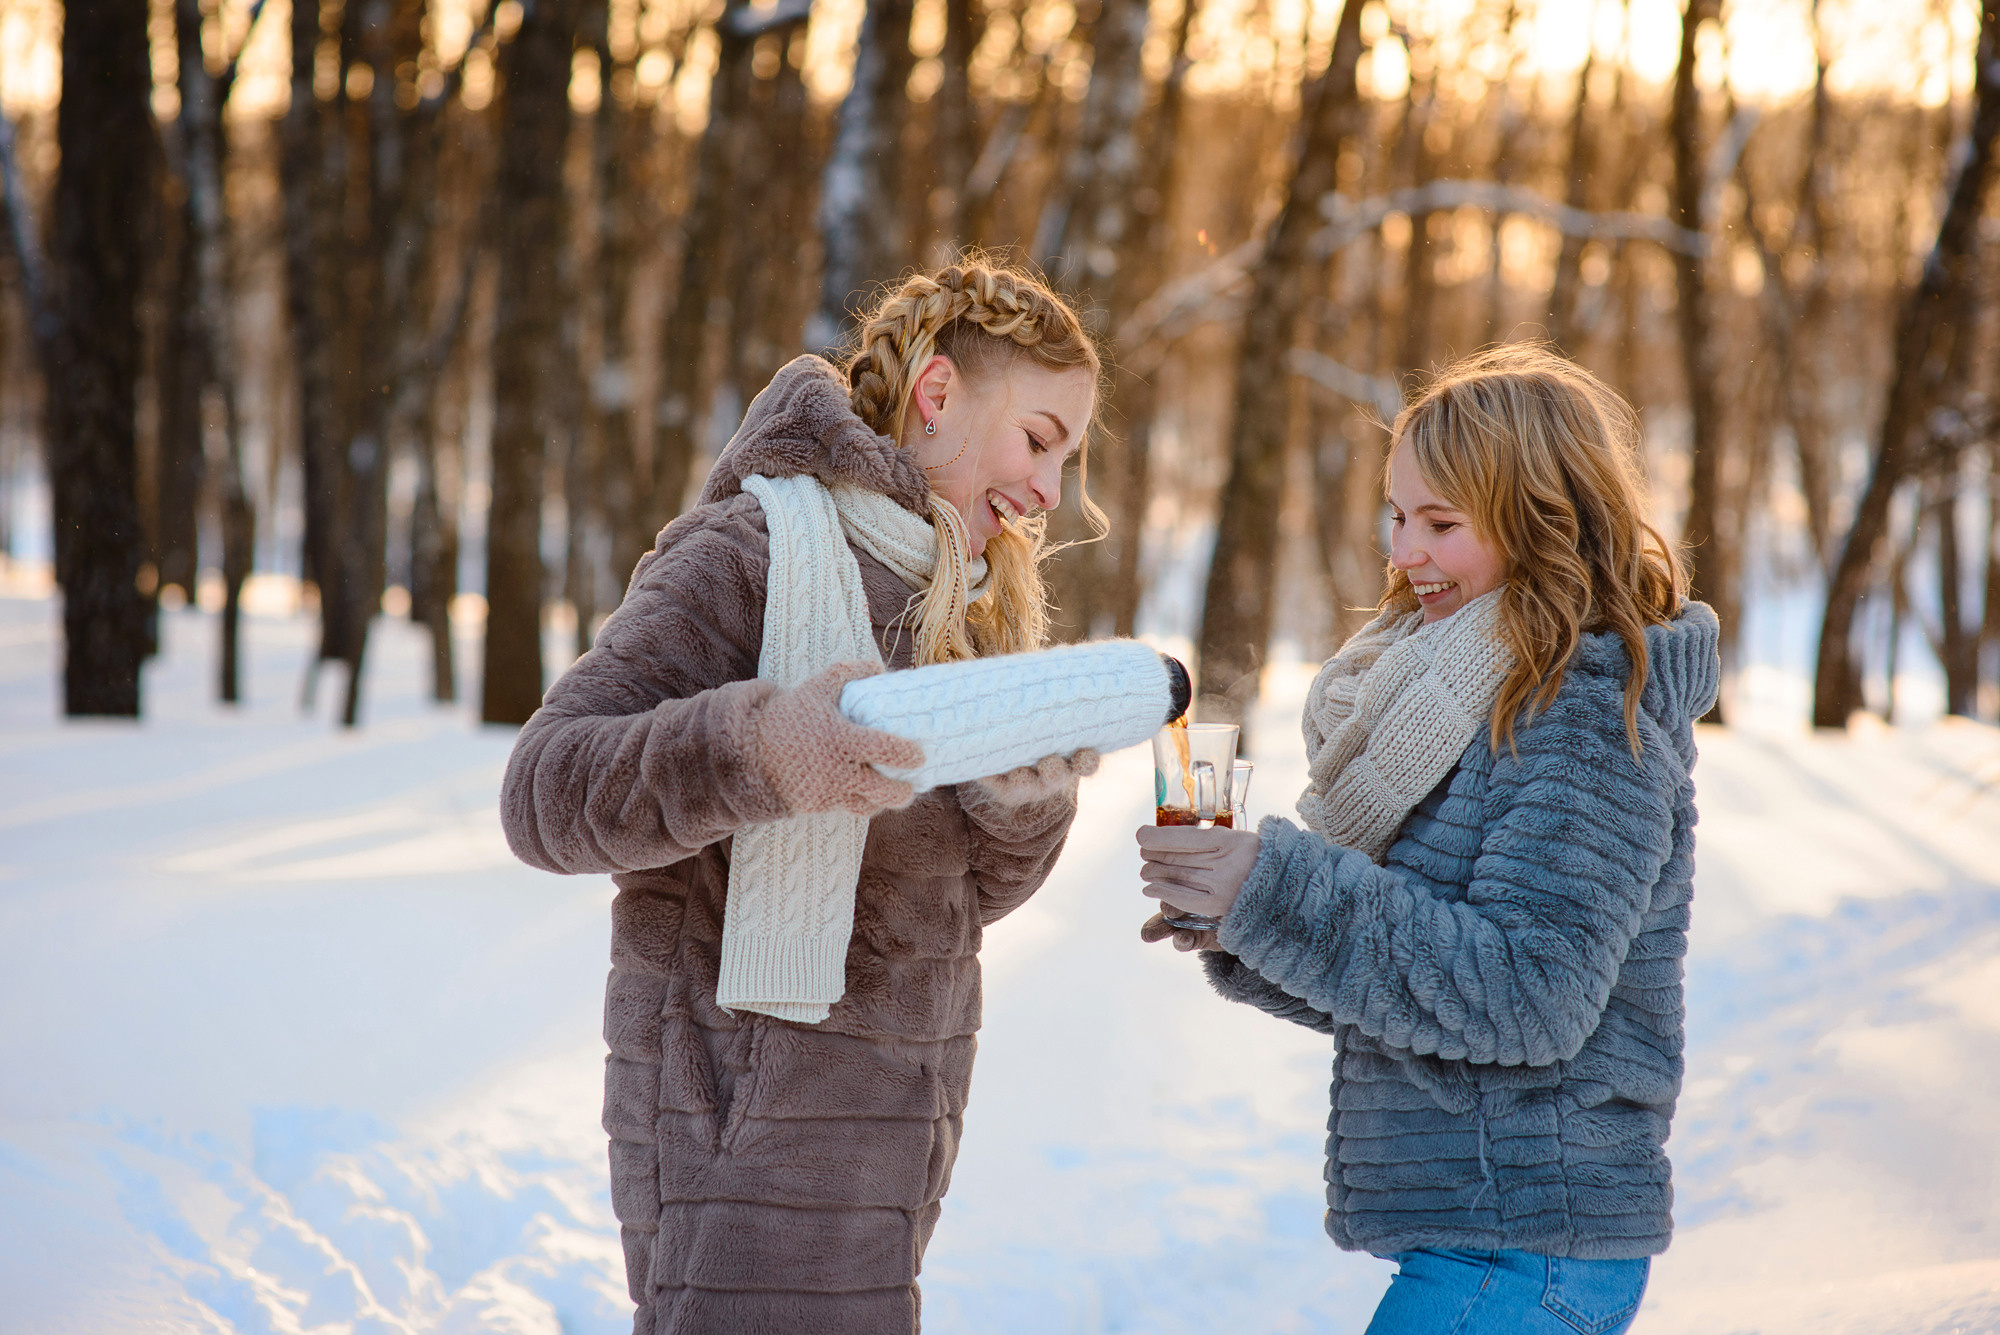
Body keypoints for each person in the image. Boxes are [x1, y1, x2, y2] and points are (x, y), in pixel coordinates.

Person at [501, 259, 1103, 1333]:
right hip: (737, 1122)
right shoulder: (751, 553)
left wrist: (1024, 801)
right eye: (1039, 440)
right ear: (935, 395)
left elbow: (960, 904)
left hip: (893, 1138)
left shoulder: (962, 604)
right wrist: (763, 750)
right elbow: (544, 792)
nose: (1051, 492)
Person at [1135, 344, 1719, 1335]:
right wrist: (1238, 914)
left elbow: (1525, 996)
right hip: (1487, 1242)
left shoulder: (1577, 716)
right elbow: (1415, 997)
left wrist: (1273, 888)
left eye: (1440, 524)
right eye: (1396, 516)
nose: (1403, 553)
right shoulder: (1452, 699)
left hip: (1527, 1242)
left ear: (1542, 519)